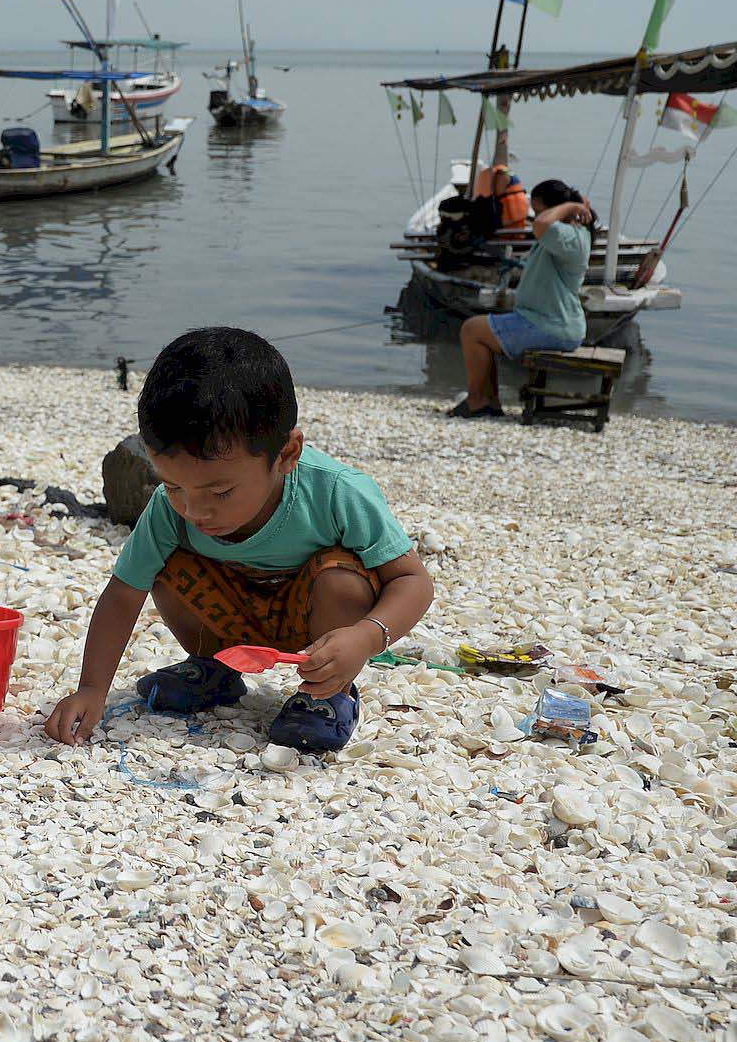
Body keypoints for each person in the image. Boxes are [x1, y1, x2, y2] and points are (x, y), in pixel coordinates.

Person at [45, 328, 435, 753]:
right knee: (163, 563)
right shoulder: (168, 509)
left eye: (220, 492)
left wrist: (366, 636)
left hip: (317, 628)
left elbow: (412, 581)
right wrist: (91, 688)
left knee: (342, 579)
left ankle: (327, 695)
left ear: (286, 455)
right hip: (229, 620)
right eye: (174, 486)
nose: (195, 510)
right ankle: (213, 669)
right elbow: (124, 592)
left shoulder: (337, 492)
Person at [446, 179, 596, 419]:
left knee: (471, 329)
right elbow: (542, 224)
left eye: (538, 209)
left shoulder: (569, 236)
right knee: (483, 331)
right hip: (547, 321)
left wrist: (569, 207)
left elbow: (541, 224)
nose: (534, 215)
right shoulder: (565, 234)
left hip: (551, 325)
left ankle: (476, 401)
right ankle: (489, 401)